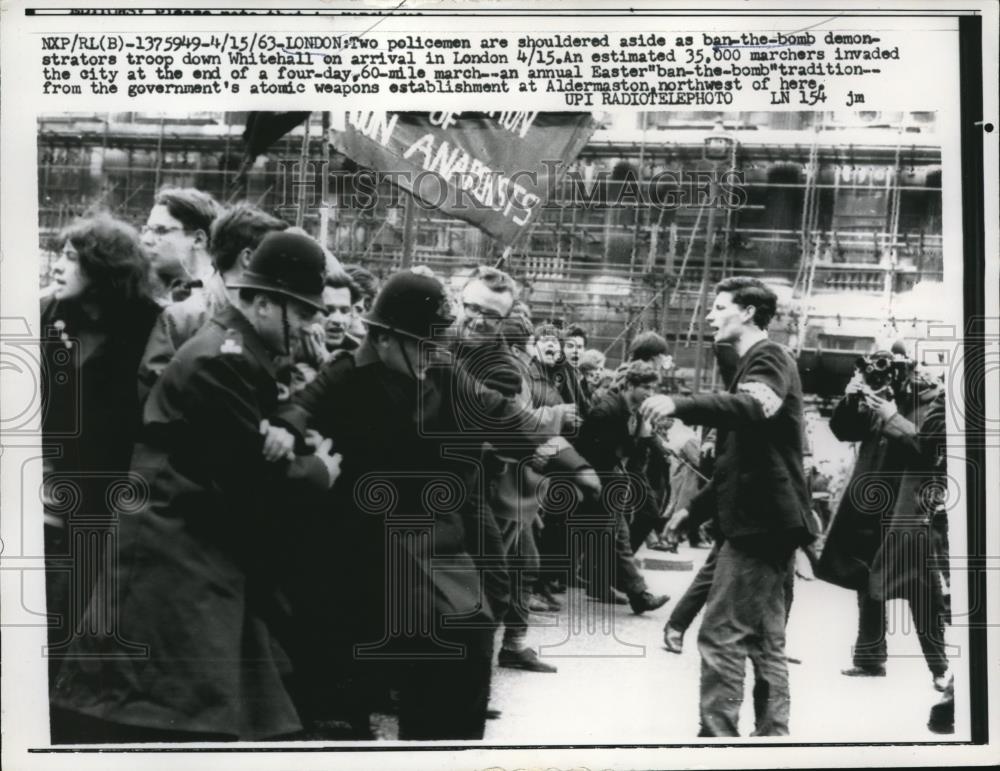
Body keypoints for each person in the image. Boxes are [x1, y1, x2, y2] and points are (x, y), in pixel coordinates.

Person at [50, 231, 342, 743]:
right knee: (169, 719)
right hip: (173, 560)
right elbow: (247, 478)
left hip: (182, 553)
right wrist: (319, 470)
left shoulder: (233, 351)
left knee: (181, 715)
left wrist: (280, 427)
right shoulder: (225, 359)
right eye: (304, 313)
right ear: (265, 303)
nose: (313, 326)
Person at [280, 269, 599, 739]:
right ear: (386, 337)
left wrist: (574, 465)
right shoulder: (345, 374)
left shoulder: (445, 374)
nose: (434, 354)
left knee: (466, 638)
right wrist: (285, 434)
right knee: (343, 696)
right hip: (356, 548)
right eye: (424, 344)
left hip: (435, 541)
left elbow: (507, 417)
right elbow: (295, 413)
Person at [640, 276, 814, 737]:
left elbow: (754, 408)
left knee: (721, 635)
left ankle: (718, 741)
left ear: (749, 313)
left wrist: (679, 403)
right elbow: (742, 460)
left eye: (719, 307)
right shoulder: (752, 364)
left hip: (759, 524)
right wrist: (693, 511)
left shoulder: (769, 357)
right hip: (770, 520)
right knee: (765, 639)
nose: (710, 315)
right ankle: (771, 735)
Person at [40, 214, 163, 691]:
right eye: (60, 254)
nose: (57, 266)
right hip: (50, 496)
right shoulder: (45, 317)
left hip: (115, 502)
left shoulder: (148, 325)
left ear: (104, 269)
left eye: (72, 259)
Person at [816, 348, 951, 691]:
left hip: (909, 512)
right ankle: (869, 659)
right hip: (872, 507)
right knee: (867, 583)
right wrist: (852, 398)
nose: (883, 375)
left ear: (909, 370)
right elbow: (845, 431)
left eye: (891, 369)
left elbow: (929, 451)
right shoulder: (879, 397)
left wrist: (892, 415)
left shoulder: (933, 400)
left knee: (921, 591)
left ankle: (941, 668)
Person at [137, 202, 288, 395]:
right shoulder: (185, 317)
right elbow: (157, 389)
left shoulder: (273, 312)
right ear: (248, 258)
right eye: (276, 256)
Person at [572, 360, 672, 614]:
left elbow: (633, 448)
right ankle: (636, 593)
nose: (651, 393)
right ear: (630, 385)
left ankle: (637, 594)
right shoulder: (607, 410)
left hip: (611, 481)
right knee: (608, 537)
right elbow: (589, 449)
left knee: (617, 537)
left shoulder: (631, 410)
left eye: (652, 388)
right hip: (598, 481)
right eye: (646, 388)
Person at [140, 187, 220, 304]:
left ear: (198, 240)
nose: (145, 240)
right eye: (146, 230)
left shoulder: (224, 297)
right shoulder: (142, 291)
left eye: (160, 230)